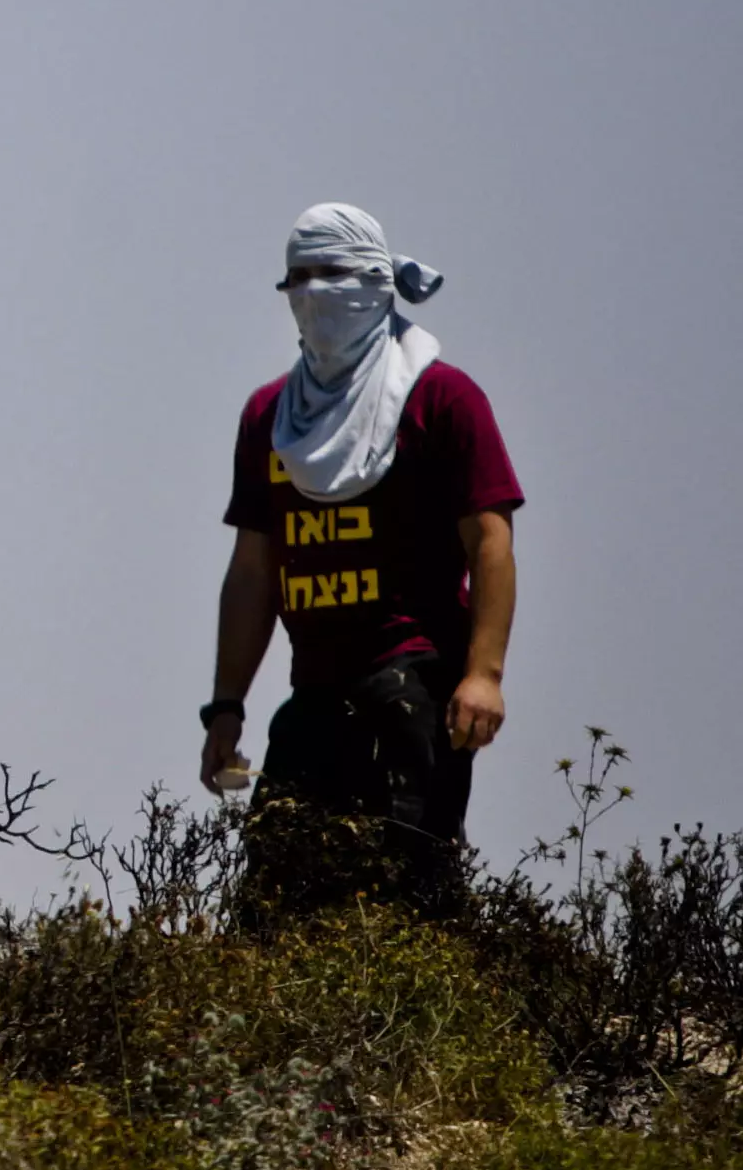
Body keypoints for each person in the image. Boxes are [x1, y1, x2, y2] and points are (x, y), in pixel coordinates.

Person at [205, 203, 523, 919]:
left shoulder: (443, 398)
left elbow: (492, 541)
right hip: (311, 690)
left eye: (335, 274)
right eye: (299, 277)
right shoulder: (270, 417)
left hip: (412, 681)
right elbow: (253, 570)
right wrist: (227, 704)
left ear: (380, 282)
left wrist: (483, 674)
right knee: (275, 902)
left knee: (412, 892)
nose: (316, 292)